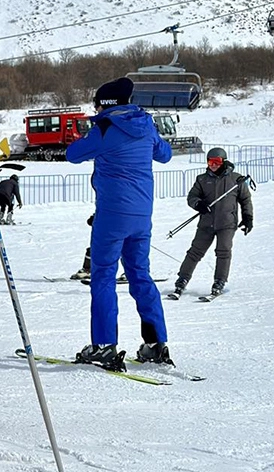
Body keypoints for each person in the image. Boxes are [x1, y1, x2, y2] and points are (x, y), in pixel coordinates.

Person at [65, 77, 173, 370]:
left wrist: (91, 134)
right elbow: (165, 154)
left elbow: (73, 155)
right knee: (140, 275)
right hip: (142, 215)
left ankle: (103, 345)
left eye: (97, 105)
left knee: (103, 276)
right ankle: (156, 344)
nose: (96, 109)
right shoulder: (146, 125)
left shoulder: (104, 128)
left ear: (106, 104)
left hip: (112, 216)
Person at [171, 147, 253, 298]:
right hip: (206, 224)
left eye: (217, 162)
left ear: (224, 162)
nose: (213, 165)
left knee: (223, 252)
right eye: (210, 162)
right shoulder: (202, 179)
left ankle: (219, 281)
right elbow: (192, 197)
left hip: (227, 224)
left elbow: (245, 200)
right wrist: (198, 204)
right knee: (195, 252)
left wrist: (248, 218)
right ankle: (182, 279)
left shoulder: (236, 180)